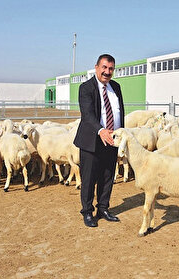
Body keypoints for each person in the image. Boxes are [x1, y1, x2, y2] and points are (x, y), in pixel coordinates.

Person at [73, 54, 125, 227]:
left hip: (112, 140)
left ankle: (103, 208)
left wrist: (119, 134)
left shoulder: (116, 87)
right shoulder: (86, 88)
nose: (107, 72)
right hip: (92, 141)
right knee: (89, 178)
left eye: (110, 68)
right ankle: (87, 212)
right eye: (104, 67)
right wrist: (101, 130)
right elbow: (87, 114)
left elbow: (119, 112)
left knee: (108, 176)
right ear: (96, 67)